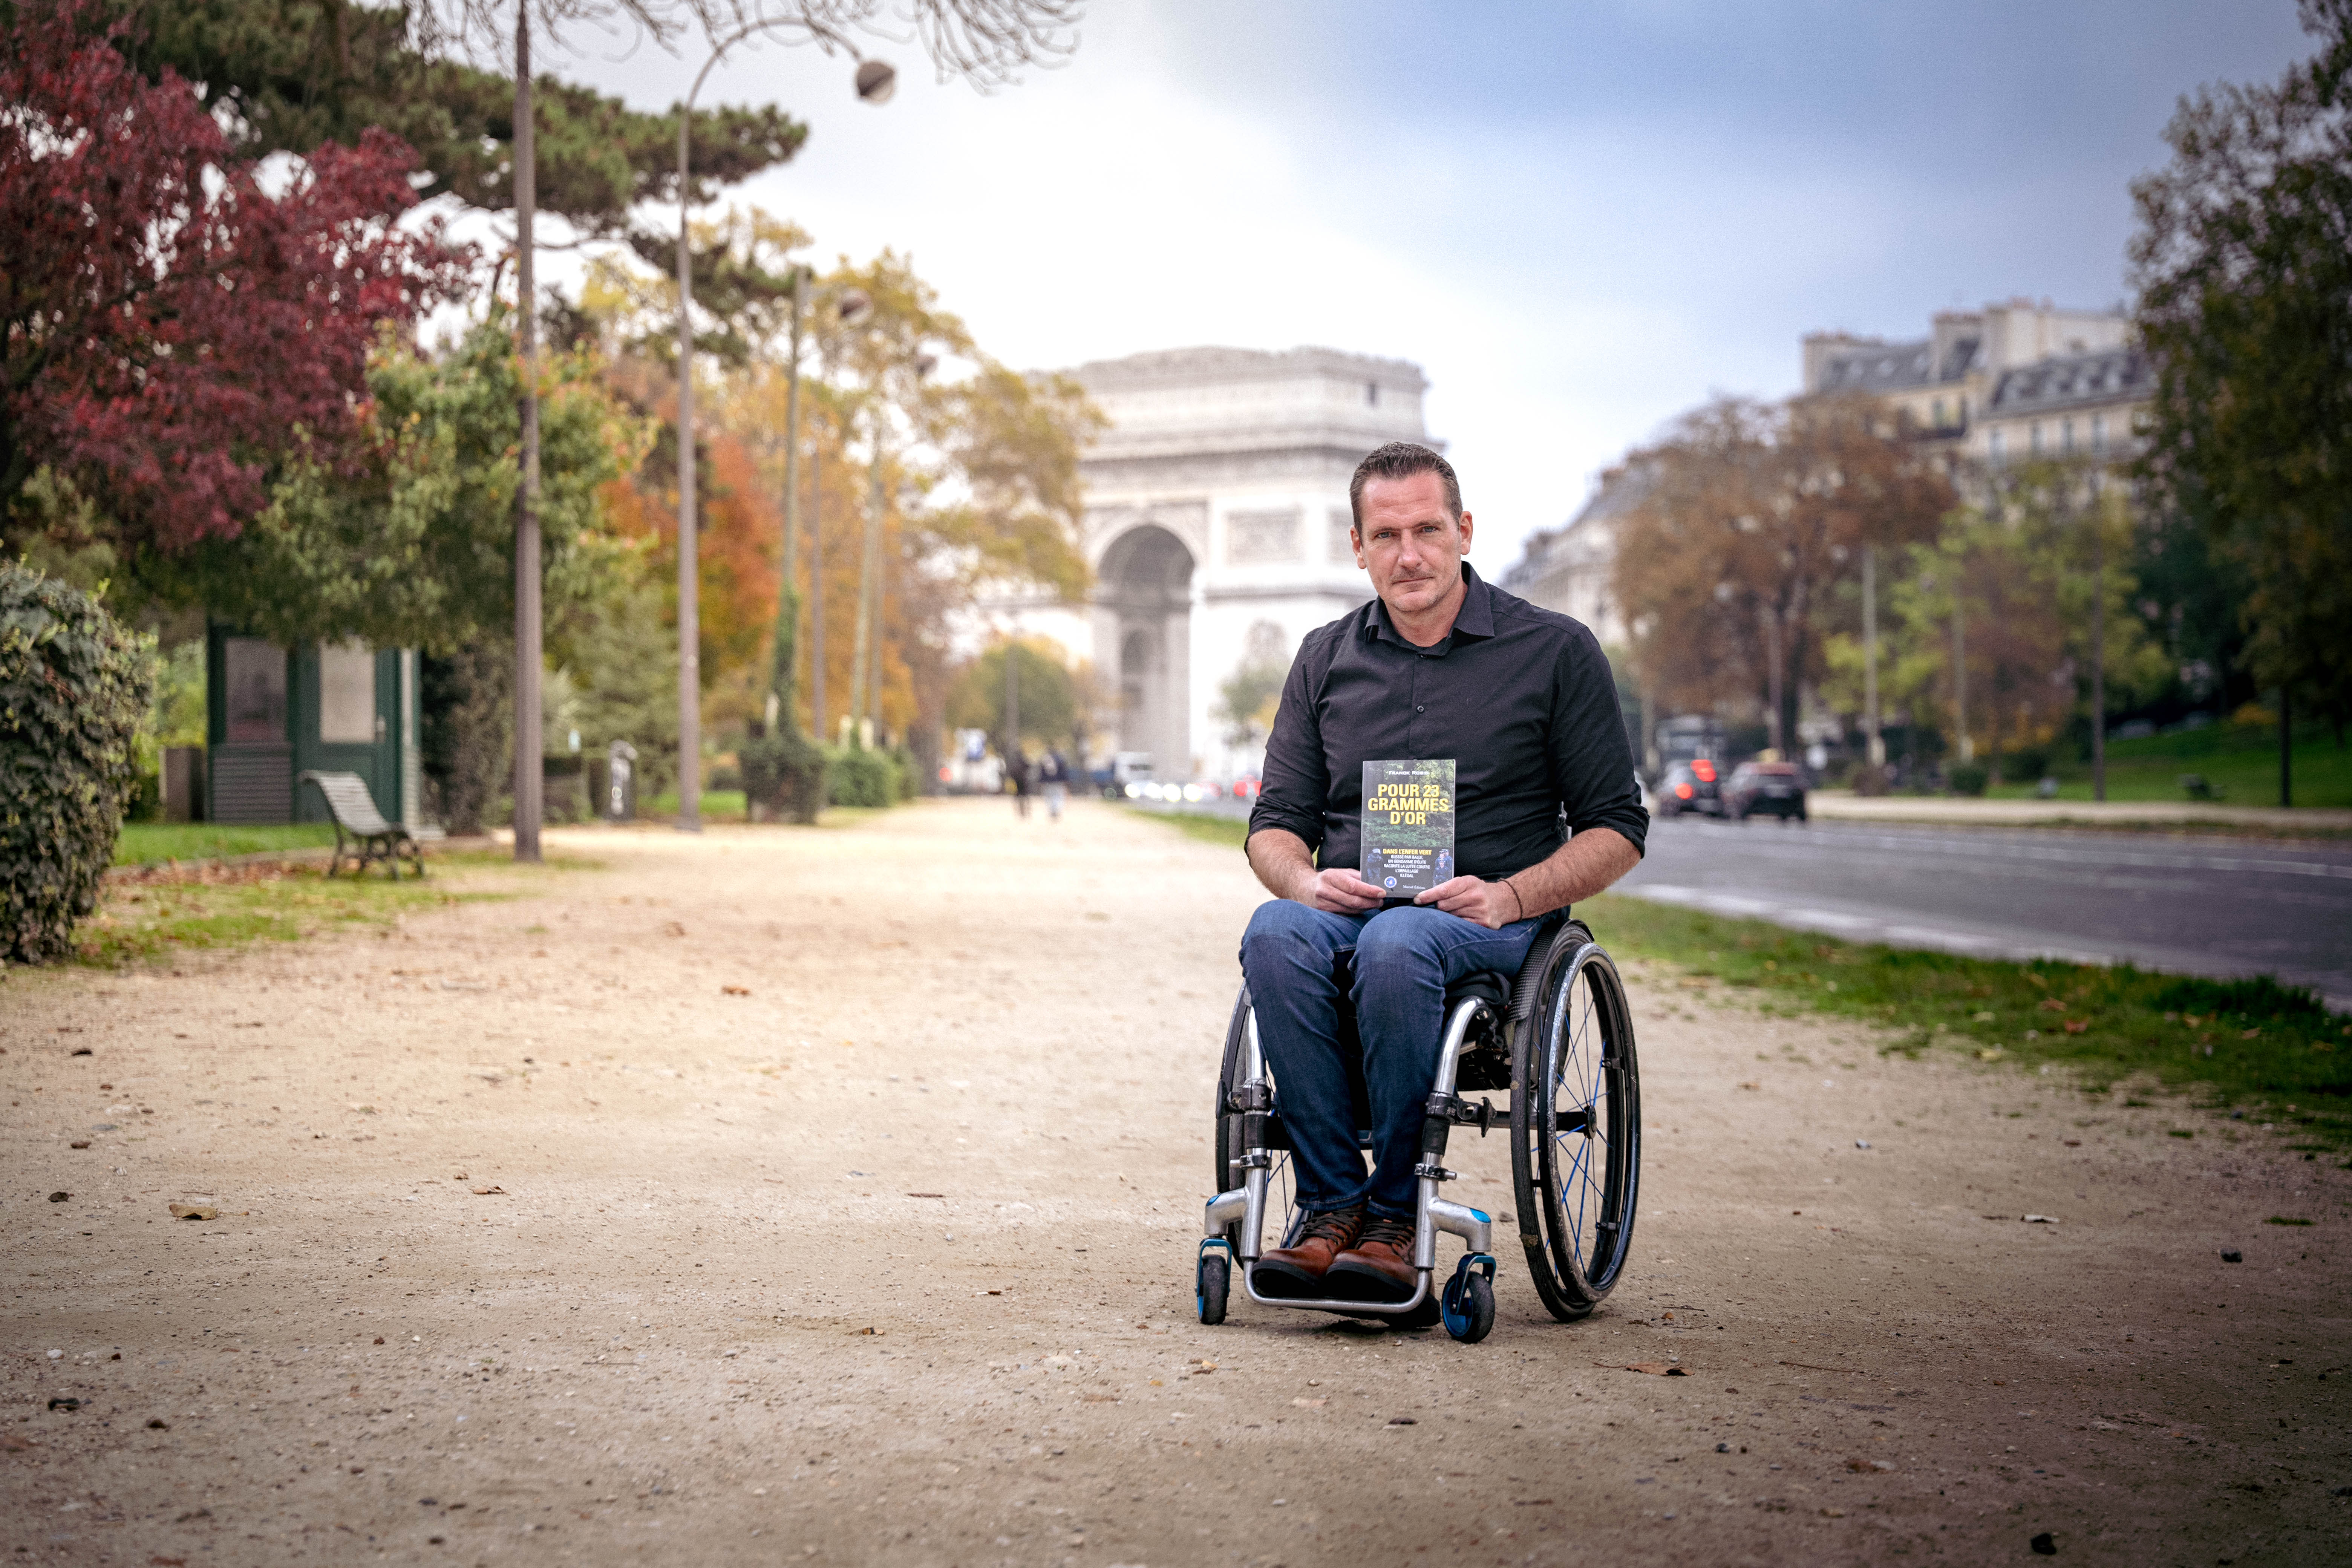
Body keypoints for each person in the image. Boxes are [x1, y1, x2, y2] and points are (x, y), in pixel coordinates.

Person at [1239, 441, 1648, 1304]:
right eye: (1385, 536)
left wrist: (1511, 895)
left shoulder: (1555, 651)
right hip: (1350, 909)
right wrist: (1306, 884)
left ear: (1464, 531)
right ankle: (1327, 1209)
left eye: (1427, 529)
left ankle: (1394, 1218)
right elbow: (1273, 829)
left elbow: (1618, 829)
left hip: (1493, 923)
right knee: (1274, 929)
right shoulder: (1321, 657)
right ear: (1356, 546)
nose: (1409, 554)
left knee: (1398, 942)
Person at [1038, 747, 1071, 821]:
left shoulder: (1045, 760)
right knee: (1058, 796)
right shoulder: (1060, 760)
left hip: (1047, 781)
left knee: (1049, 796)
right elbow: (1064, 772)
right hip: (1058, 781)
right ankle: (1056, 810)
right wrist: (1066, 780)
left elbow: (1042, 772)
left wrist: (1041, 781)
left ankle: (1052, 810)